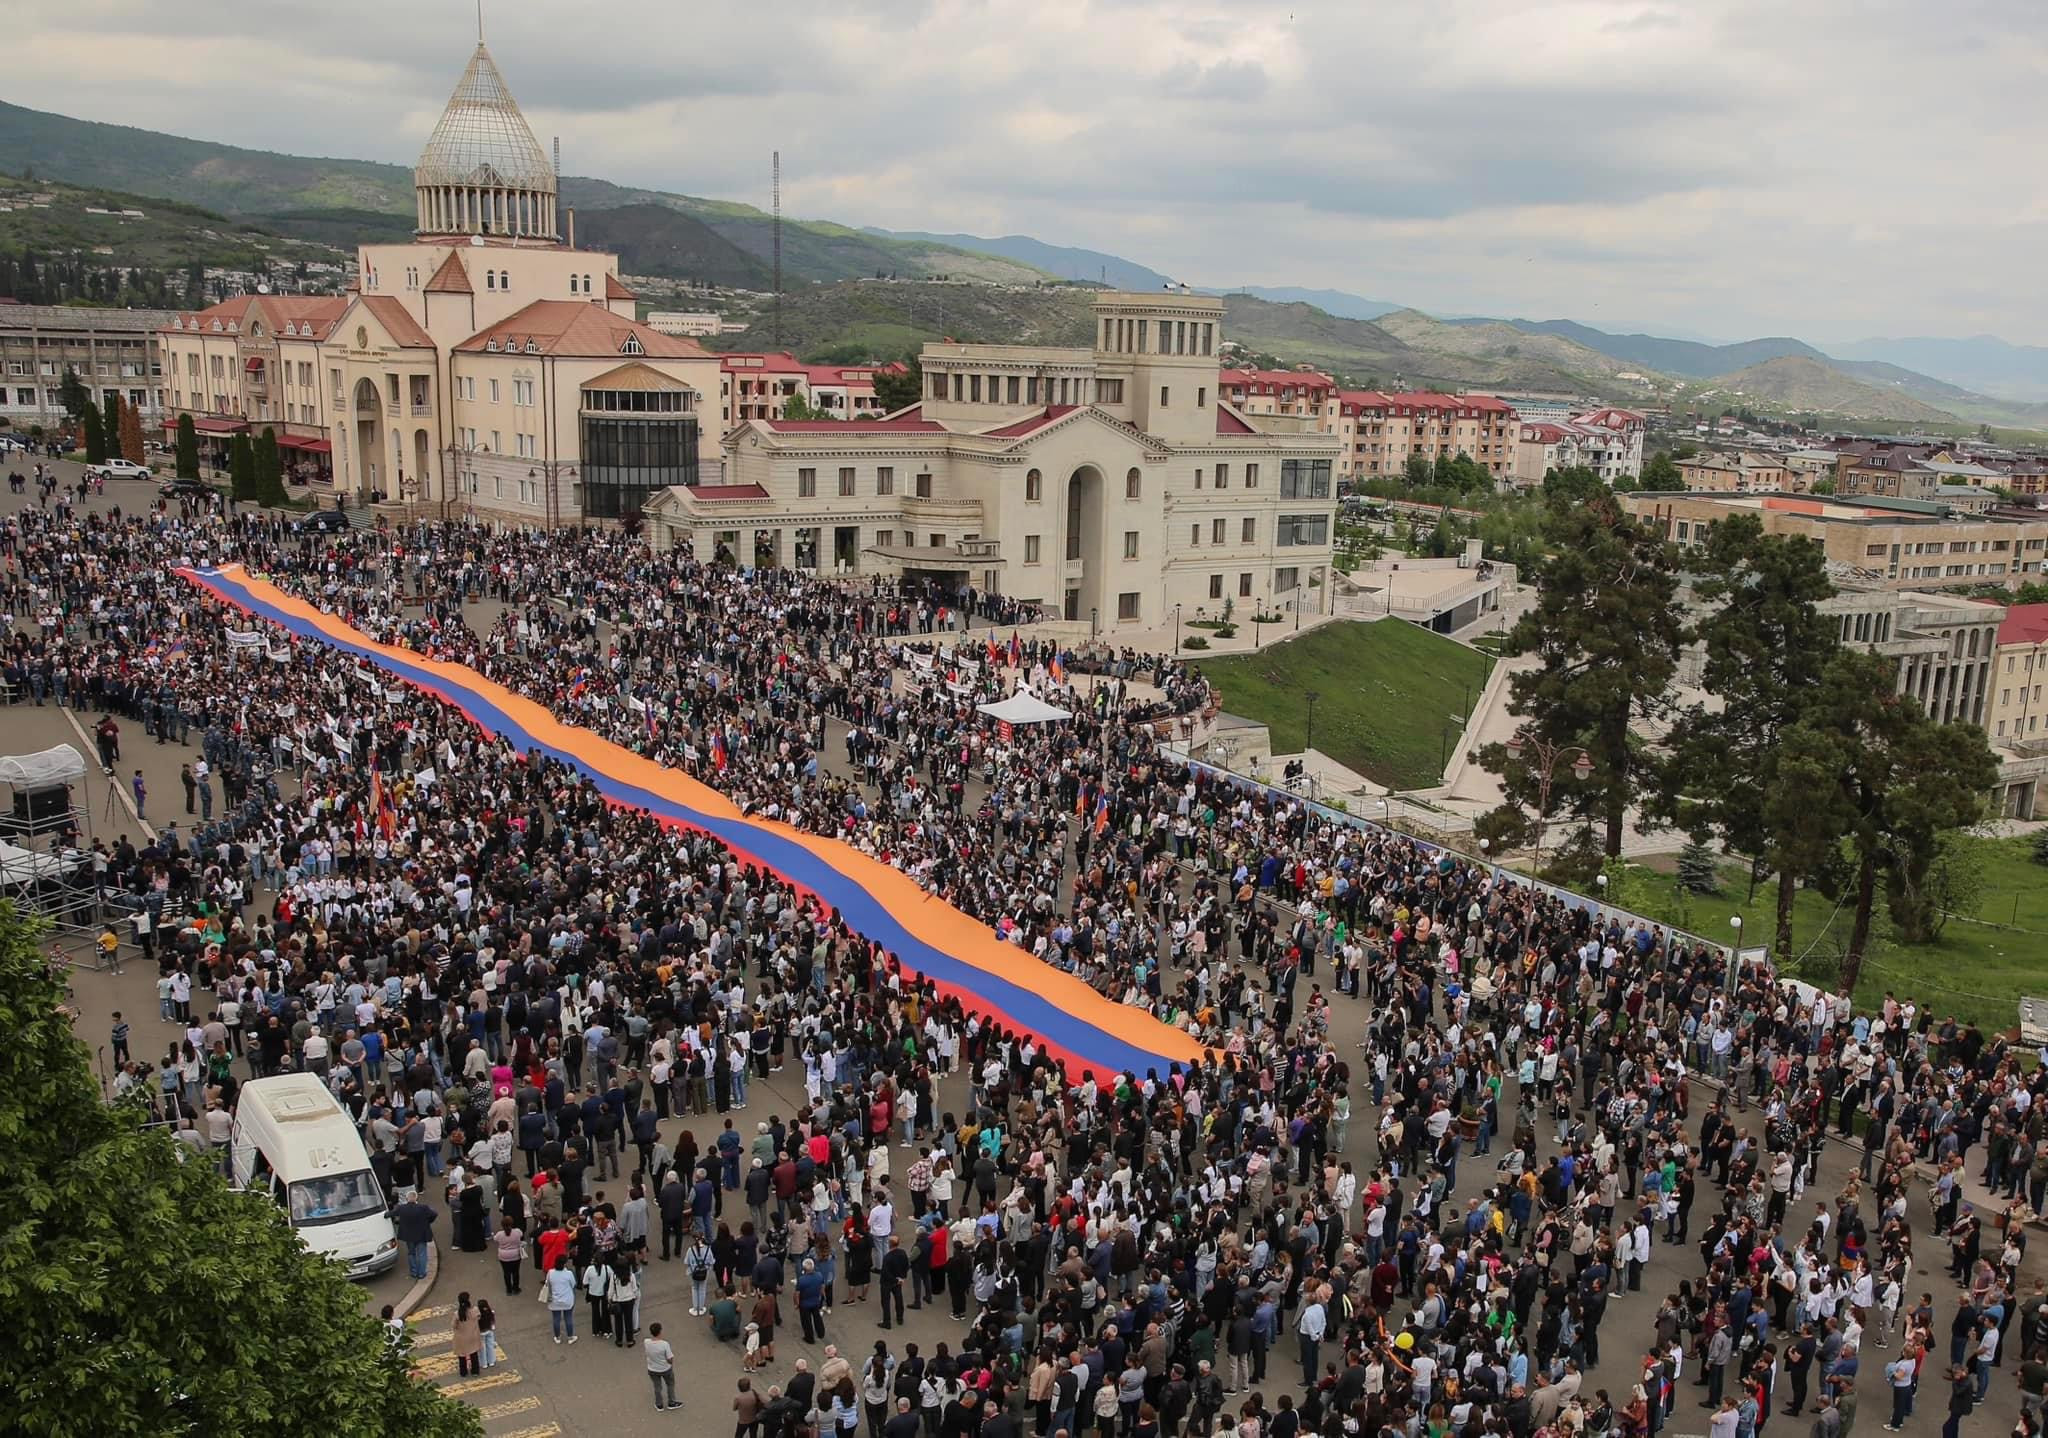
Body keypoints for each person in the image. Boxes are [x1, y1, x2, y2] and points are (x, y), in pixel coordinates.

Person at [393, 1195, 436, 1280]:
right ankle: (421, 1273)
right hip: (421, 1235)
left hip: (409, 1236)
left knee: (411, 1253)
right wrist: (428, 1221)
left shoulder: (402, 1208)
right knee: (422, 1254)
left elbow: (390, 1214)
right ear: (416, 1198)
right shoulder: (423, 1207)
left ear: (407, 1199)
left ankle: (413, 1272)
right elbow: (434, 1214)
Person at [646, 1320, 679, 1413]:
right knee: (670, 1384)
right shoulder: (664, 1344)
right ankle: (671, 1402)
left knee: (657, 1386)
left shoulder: (646, 1342)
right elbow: (670, 1358)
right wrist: (670, 1363)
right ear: (660, 1331)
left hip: (652, 1369)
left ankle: (659, 1404)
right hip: (665, 1369)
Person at [545, 1254, 579, 1344]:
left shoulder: (550, 1273)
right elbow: (573, 1284)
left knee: (556, 1319)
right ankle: (570, 1337)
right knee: (568, 1318)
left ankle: (557, 1337)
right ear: (564, 1264)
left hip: (554, 1301)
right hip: (567, 1300)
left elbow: (547, 1284)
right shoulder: (569, 1274)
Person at [451, 1292, 482, 1378]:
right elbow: (479, 1317)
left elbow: (453, 1325)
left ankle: (463, 1372)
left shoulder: (457, 1314)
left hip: (461, 1338)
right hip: (473, 1336)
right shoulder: (475, 1310)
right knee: (473, 1354)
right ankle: (475, 1371)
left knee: (461, 1356)